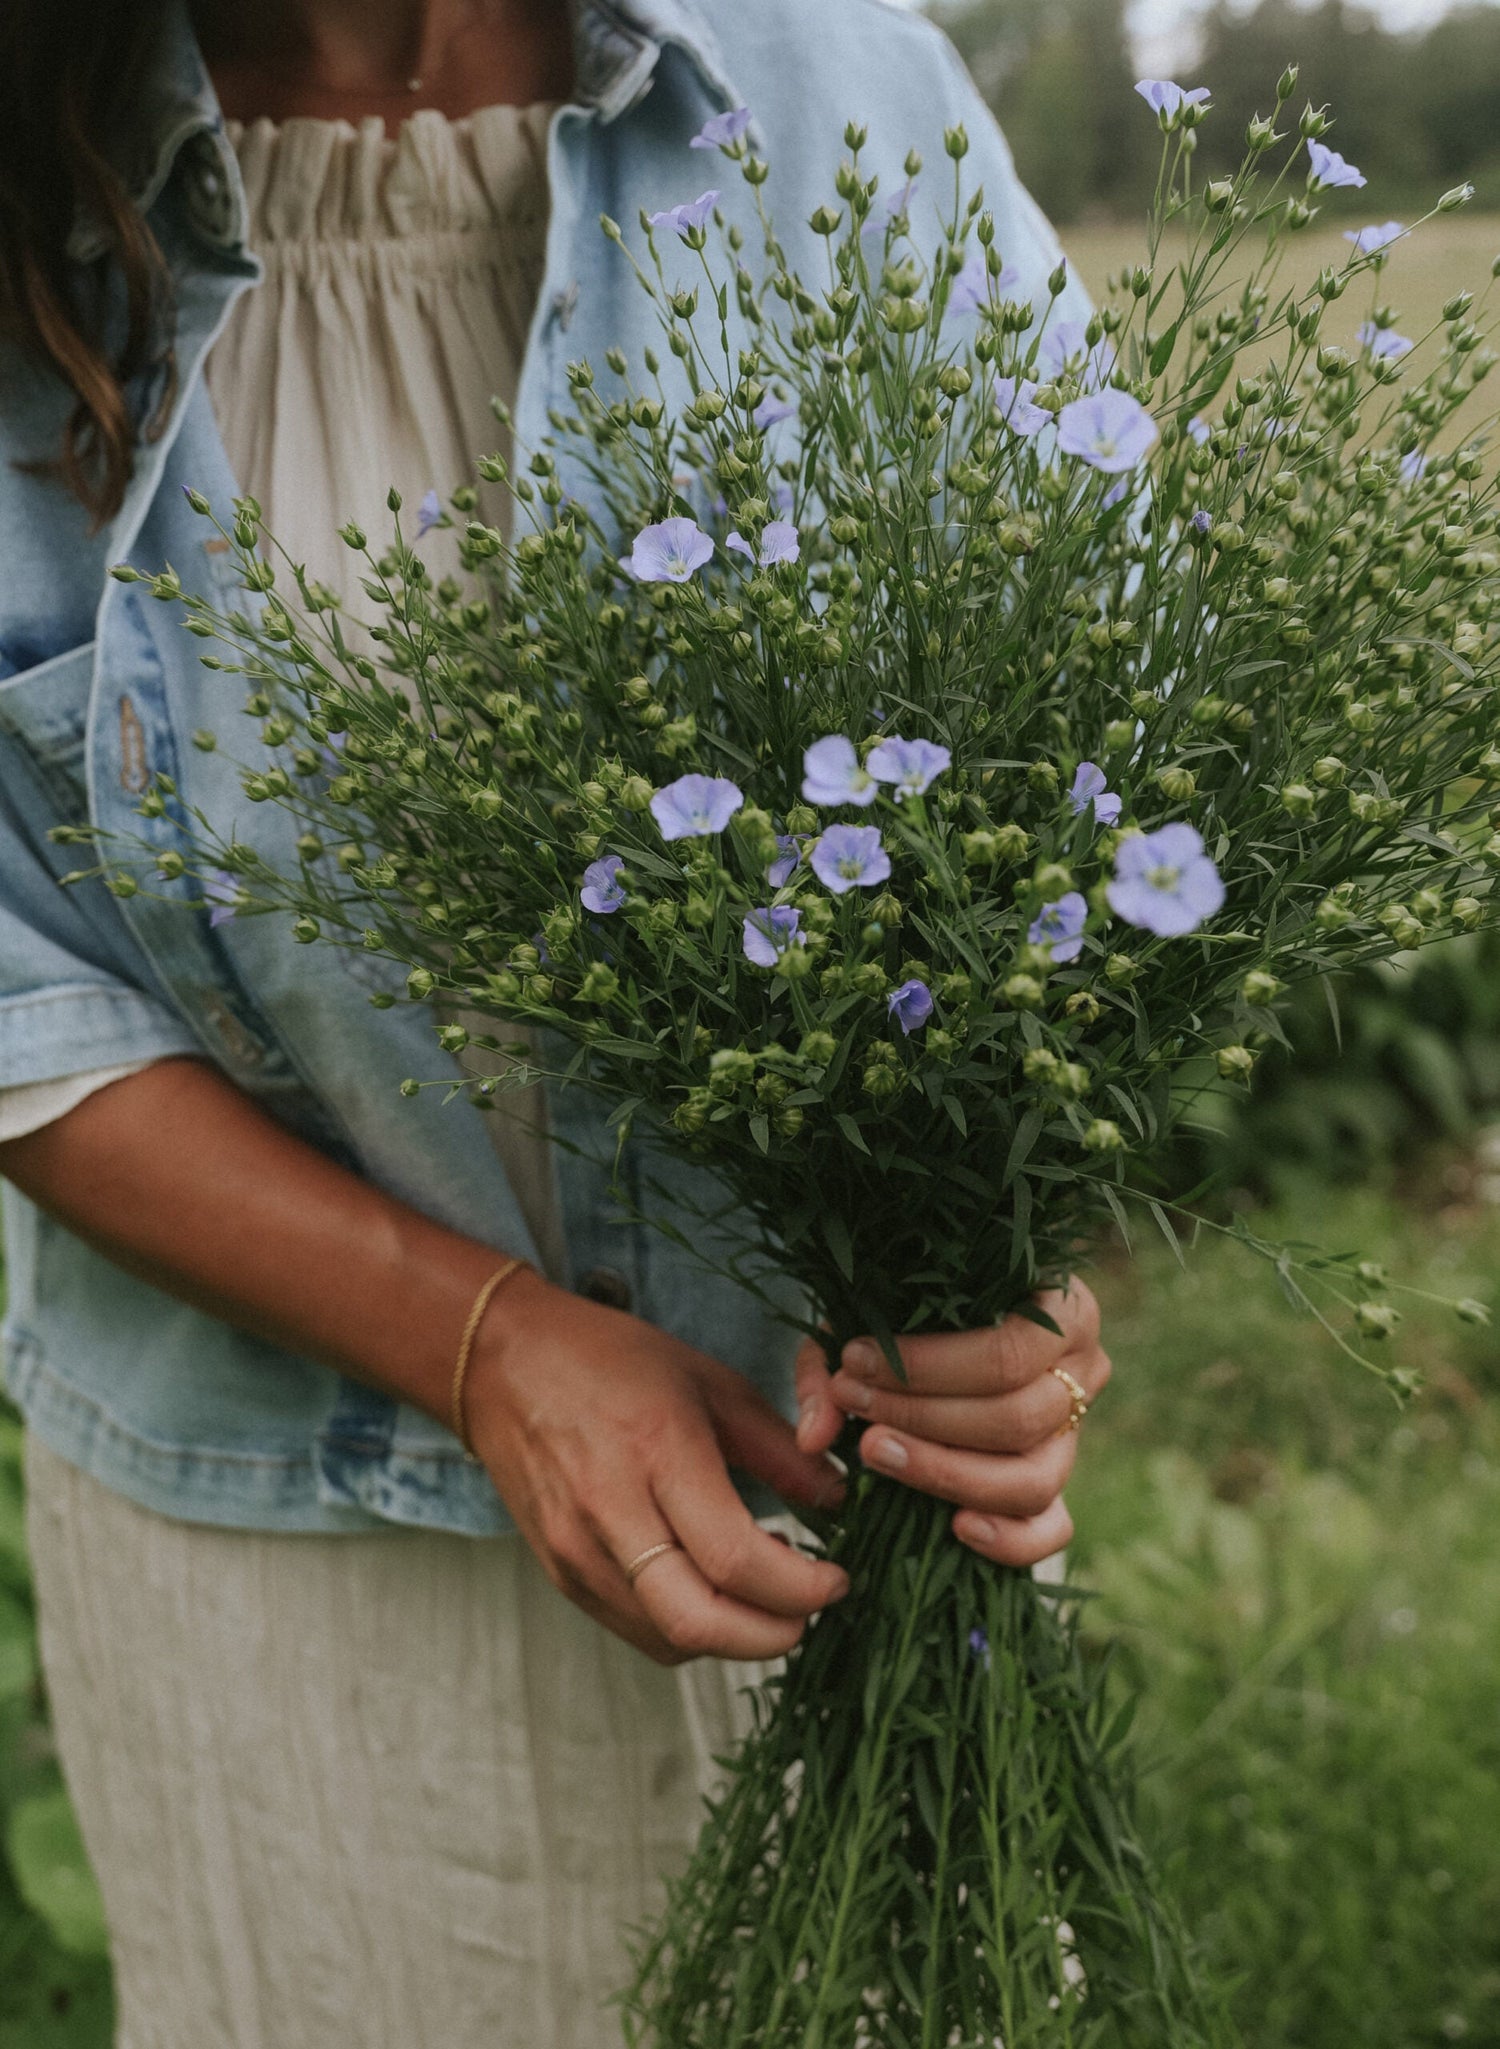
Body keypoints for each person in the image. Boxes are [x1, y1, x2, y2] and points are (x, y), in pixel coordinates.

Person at [0, 1, 1109, 2041]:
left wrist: (1006, 1277)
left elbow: (1093, 755)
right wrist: (485, 1341)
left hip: (840, 1467)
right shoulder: (29, 155)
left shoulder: (816, 75)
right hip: (301, 1542)